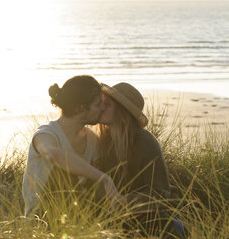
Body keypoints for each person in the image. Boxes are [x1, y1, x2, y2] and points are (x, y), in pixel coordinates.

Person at [22, 75, 123, 218]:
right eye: (98, 104)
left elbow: (94, 186)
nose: (102, 107)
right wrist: (104, 178)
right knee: (63, 173)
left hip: (79, 214)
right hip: (42, 219)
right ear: (82, 108)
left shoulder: (92, 139)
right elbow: (54, 155)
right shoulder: (45, 134)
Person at [97, 82, 187, 238]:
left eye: (107, 104)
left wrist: (123, 202)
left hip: (153, 218)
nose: (101, 108)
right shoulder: (104, 141)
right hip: (118, 217)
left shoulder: (143, 141)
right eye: (101, 103)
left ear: (122, 110)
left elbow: (160, 193)